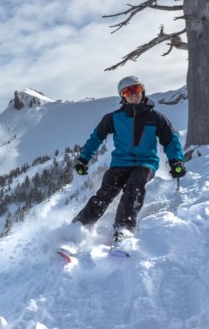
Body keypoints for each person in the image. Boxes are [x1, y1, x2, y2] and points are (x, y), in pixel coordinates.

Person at [72, 75, 186, 243]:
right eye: (127, 91)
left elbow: (170, 140)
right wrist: (83, 159)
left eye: (136, 89)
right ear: (122, 96)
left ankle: (123, 228)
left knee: (134, 187)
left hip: (146, 162)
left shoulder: (155, 118)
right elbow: (96, 138)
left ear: (143, 91)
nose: (133, 94)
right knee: (105, 192)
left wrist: (176, 161)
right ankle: (79, 227)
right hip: (120, 162)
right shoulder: (113, 118)